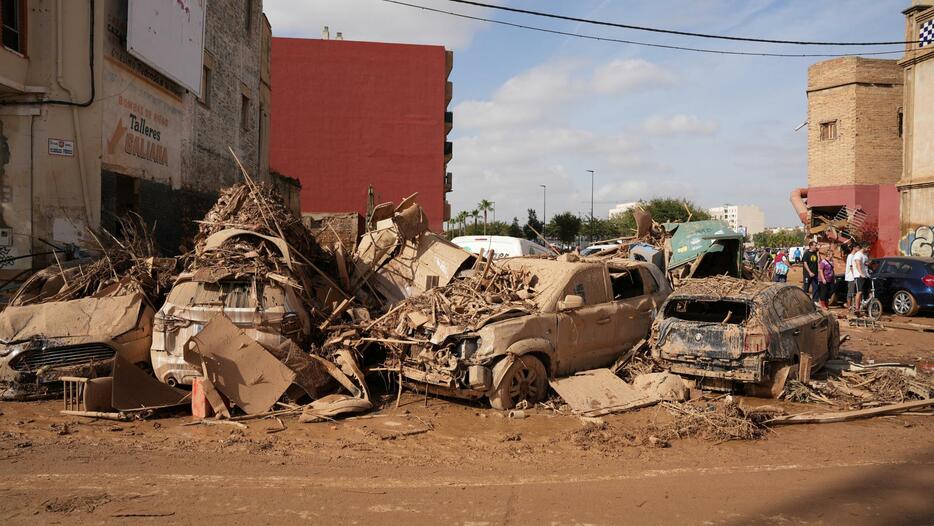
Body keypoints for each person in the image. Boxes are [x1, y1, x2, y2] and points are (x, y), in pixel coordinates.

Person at [853, 243, 871, 312]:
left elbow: (865, 264)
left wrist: (869, 264)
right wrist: (861, 274)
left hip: (866, 275)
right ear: (864, 247)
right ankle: (857, 309)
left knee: (868, 292)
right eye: (868, 248)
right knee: (859, 292)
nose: (869, 249)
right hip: (859, 275)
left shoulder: (865, 255)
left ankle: (867, 308)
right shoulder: (858, 254)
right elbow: (858, 265)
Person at [844, 244, 857, 310]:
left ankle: (853, 305)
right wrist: (854, 276)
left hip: (854, 276)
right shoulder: (850, 256)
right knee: (850, 292)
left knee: (854, 292)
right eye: (857, 247)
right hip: (851, 277)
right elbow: (851, 266)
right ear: (854, 248)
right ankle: (849, 306)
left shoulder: (855, 256)